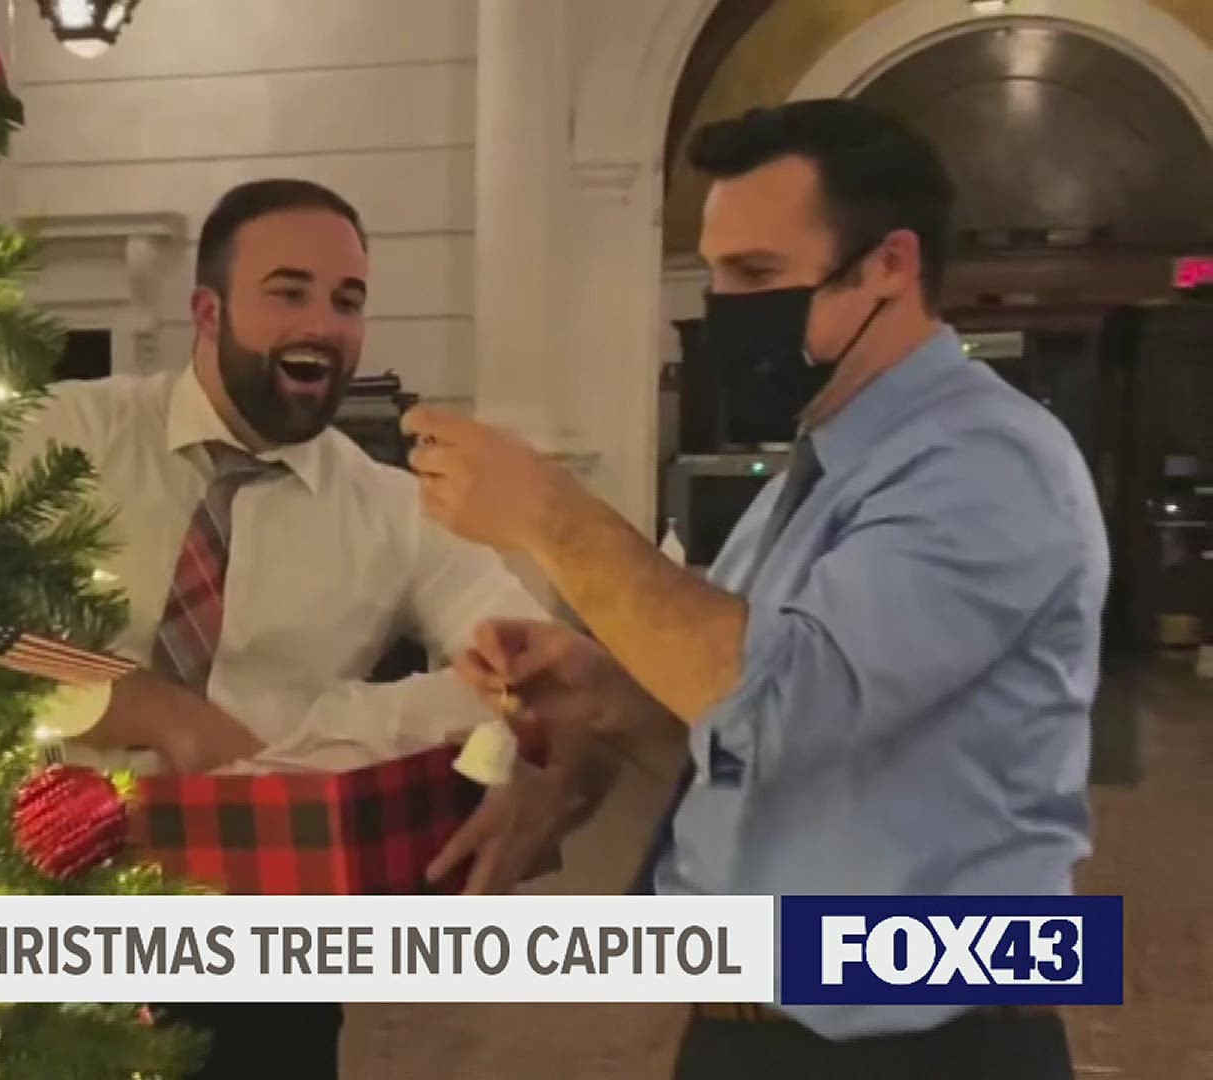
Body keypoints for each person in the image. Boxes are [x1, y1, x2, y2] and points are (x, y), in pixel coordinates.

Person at [404, 99, 1108, 1079]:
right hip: (750, 1026)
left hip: (924, 1042)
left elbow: (787, 703)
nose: (727, 309)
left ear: (891, 266)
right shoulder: (811, 477)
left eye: (760, 276)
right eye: (717, 273)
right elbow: (735, 732)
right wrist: (604, 691)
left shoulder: (987, 466)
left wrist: (551, 516)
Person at [4, 178, 581, 1079]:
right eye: (288, 292)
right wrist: (146, 707)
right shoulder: (67, 433)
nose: (323, 323)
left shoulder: (395, 509)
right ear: (206, 310)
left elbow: (530, 656)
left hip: (261, 930)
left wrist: (521, 757)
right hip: (24, 884)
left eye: (347, 301)